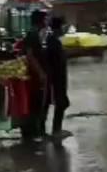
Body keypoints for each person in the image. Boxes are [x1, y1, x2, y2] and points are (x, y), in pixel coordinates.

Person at [21, 10, 49, 140]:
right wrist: (41, 72)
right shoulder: (32, 35)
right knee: (36, 102)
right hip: (34, 76)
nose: (47, 22)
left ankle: (36, 130)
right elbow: (30, 56)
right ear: (40, 20)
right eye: (45, 19)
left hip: (35, 74)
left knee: (37, 102)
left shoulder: (35, 34)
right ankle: (34, 132)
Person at [45, 15, 72, 139]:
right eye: (63, 27)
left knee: (62, 102)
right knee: (61, 102)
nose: (64, 29)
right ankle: (56, 130)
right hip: (57, 78)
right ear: (58, 27)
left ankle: (57, 129)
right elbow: (54, 60)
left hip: (59, 76)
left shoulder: (54, 40)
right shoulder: (52, 41)